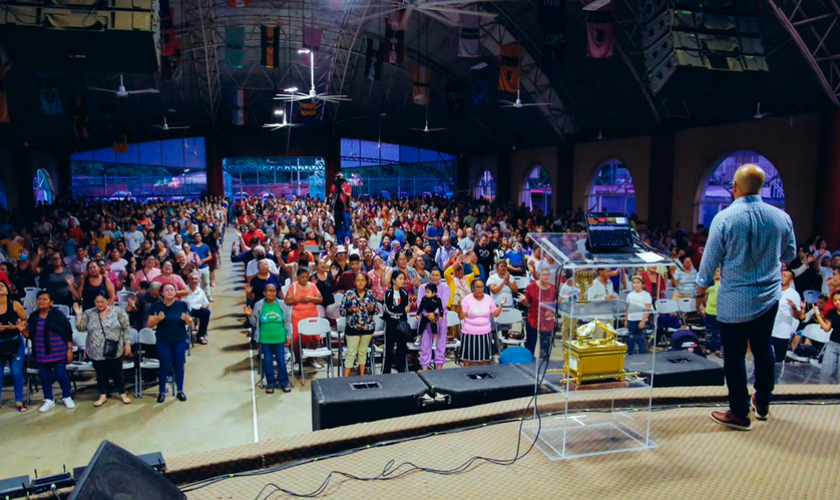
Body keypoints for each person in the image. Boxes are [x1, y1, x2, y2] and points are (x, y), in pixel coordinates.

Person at [696, 163, 796, 430]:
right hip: (768, 297)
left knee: (735, 355)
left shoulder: (725, 218)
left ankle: (739, 412)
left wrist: (701, 290)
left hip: (734, 300)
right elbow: (789, 255)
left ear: (735, 188)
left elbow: (709, 262)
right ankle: (762, 402)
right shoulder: (781, 217)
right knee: (764, 349)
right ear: (761, 187)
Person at [74, 292, 132, 407]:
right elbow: (81, 328)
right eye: (97, 302)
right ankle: (102, 395)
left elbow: (126, 328)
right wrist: (78, 314)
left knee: (117, 372)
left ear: (108, 301)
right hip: (95, 349)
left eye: (102, 301)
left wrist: (127, 344)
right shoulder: (89, 313)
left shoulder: (118, 311)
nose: (99, 304)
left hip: (114, 348)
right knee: (100, 373)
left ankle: (122, 394)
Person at [27, 290, 75, 412]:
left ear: (51, 302)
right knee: (45, 376)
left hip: (59, 352)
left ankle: (66, 396)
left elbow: (68, 332)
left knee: (60, 374)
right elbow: (29, 335)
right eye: (39, 299)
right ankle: (49, 399)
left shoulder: (58, 315)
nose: (41, 301)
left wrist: (69, 350)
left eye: (44, 299)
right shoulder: (33, 316)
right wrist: (22, 330)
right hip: (41, 353)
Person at [148, 282, 194, 403]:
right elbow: (149, 325)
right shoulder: (156, 306)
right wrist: (157, 320)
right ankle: (162, 391)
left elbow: (190, 322)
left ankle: (180, 390)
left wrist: (187, 319)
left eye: (172, 289)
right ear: (162, 293)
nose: (170, 291)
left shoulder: (182, 305)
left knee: (179, 365)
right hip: (163, 340)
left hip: (179, 340)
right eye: (167, 289)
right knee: (164, 365)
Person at [245, 283, 291, 394]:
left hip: (279, 338)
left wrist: (288, 336)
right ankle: (270, 383)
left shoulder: (282, 304)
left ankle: (284, 382)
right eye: (269, 291)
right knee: (268, 361)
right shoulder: (259, 305)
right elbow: (255, 323)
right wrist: (250, 315)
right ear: (264, 293)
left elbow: (288, 321)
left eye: (274, 291)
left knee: (281, 360)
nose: (272, 293)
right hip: (265, 339)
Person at [459, 278, 504, 367]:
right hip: (469, 333)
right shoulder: (467, 299)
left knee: (484, 358)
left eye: (481, 287)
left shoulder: (488, 298)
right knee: (468, 359)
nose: (479, 289)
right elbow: (461, 316)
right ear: (473, 288)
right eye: (477, 287)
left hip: (485, 333)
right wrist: (460, 306)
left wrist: (501, 305)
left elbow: (495, 314)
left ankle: (483, 377)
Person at [340, 273, 377, 376]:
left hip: (367, 327)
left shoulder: (370, 294)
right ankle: (345, 378)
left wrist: (372, 309)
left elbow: (376, 310)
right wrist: (350, 310)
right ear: (354, 282)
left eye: (362, 280)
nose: (360, 282)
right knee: (351, 352)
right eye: (358, 280)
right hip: (352, 327)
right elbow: (342, 311)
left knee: (362, 351)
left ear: (366, 282)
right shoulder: (349, 294)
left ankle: (362, 375)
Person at [0, 281, 29, 412]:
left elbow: (25, 319)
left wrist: (16, 327)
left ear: (7, 291)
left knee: (16, 372)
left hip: (14, 342)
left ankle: (19, 401)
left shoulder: (14, 304)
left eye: (2, 286)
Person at [284, 268, 323, 363]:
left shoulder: (313, 286)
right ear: (298, 277)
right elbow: (287, 301)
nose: (304, 279)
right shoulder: (293, 286)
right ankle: (298, 360)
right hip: (298, 316)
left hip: (312, 315)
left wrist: (311, 298)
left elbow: (320, 299)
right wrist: (299, 299)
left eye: (306, 277)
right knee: (297, 339)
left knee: (313, 337)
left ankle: (311, 359)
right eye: (302, 277)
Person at [518, 268, 556, 359]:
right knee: (530, 344)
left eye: (547, 274)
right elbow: (526, 302)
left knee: (545, 346)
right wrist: (523, 300)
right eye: (543, 274)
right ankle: (528, 362)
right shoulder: (531, 287)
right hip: (533, 319)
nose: (546, 276)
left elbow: (555, 303)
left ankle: (544, 365)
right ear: (538, 275)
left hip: (547, 321)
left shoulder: (553, 288)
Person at [417, 269, 450, 370]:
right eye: (433, 275)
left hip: (440, 320)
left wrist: (434, 314)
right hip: (425, 320)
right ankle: (425, 369)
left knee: (440, 345)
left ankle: (439, 369)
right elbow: (420, 303)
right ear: (429, 275)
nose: (434, 277)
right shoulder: (423, 287)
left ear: (440, 277)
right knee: (425, 345)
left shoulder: (445, 287)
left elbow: (443, 304)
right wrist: (428, 314)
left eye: (437, 275)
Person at [770, 269, 801, 363]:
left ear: (791, 281)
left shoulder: (794, 294)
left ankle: (776, 377)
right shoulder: (772, 290)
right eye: (781, 275)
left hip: (782, 333)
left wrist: (794, 307)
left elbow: (797, 316)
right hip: (769, 330)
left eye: (785, 276)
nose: (782, 277)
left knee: (778, 360)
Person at [382, 270, 410, 373]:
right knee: (389, 347)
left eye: (404, 279)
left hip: (402, 322)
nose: (402, 281)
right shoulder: (388, 293)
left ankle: (401, 370)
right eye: (400, 279)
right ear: (394, 280)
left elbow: (406, 308)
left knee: (402, 348)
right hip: (391, 323)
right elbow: (389, 309)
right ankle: (386, 371)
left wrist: (401, 310)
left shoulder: (404, 293)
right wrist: (402, 310)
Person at [813, 294, 840, 385]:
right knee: (825, 373)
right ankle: (823, 395)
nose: (837, 302)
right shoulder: (832, 313)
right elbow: (826, 328)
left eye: (839, 300)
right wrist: (818, 315)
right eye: (835, 300)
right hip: (832, 345)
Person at [625, 275, 653, 355]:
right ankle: (630, 354)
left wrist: (643, 321)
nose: (635, 284)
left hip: (641, 320)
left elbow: (647, 309)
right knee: (631, 338)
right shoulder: (630, 295)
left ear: (642, 285)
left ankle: (642, 356)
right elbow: (627, 308)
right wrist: (626, 320)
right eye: (634, 283)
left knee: (641, 338)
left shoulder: (646, 295)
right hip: (631, 319)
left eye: (638, 282)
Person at [698, 268, 722, 357]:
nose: (716, 273)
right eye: (715, 271)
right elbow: (705, 297)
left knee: (719, 333)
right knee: (709, 331)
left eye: (718, 271)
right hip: (709, 311)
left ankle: (718, 349)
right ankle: (708, 348)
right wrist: (704, 307)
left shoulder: (722, 285)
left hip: (720, 312)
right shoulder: (710, 284)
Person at [184, 272, 211, 345]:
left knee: (206, 312)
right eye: (192, 279)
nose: (194, 280)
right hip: (187, 310)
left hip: (198, 309)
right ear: (188, 281)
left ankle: (201, 335)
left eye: (196, 279)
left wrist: (205, 306)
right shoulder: (184, 290)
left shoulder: (200, 290)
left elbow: (206, 302)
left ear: (198, 281)